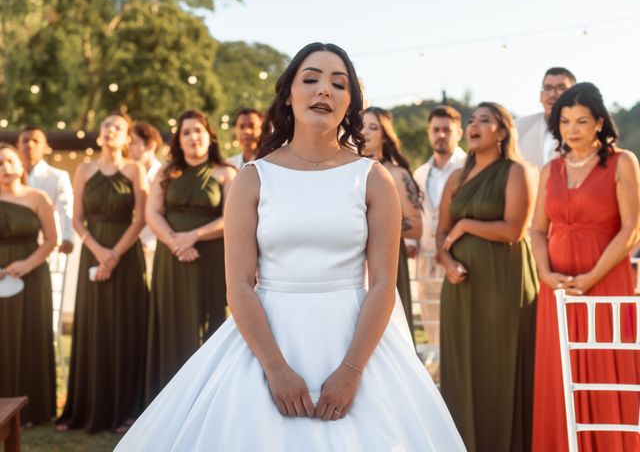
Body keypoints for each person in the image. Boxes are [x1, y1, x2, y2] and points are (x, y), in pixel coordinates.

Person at [115, 42, 465, 451]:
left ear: (350, 102)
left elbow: (384, 283)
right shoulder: (253, 177)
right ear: (288, 94)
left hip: (356, 337)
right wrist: (275, 369)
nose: (324, 90)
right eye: (311, 79)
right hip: (266, 336)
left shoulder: (373, 179)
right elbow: (240, 285)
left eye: (339, 83)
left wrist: (352, 371)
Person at [531, 83, 640, 452]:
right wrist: (545, 275)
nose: (571, 129)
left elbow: (632, 228)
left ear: (598, 123)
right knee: (560, 372)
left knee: (607, 365)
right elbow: (536, 230)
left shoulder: (623, 161)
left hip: (606, 281)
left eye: (581, 121)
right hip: (557, 290)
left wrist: (592, 277)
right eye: (564, 122)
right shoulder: (550, 169)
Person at [437, 102, 538, 452]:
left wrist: (466, 224)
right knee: (463, 369)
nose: (474, 126)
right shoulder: (455, 177)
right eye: (471, 121)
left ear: (502, 131)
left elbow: (514, 229)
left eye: (485, 120)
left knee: (501, 367)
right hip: (460, 288)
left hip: (504, 284)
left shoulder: (515, 172)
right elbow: (441, 233)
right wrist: (447, 261)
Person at [58, 112, 149, 433]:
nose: (110, 130)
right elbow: (77, 219)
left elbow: (141, 218)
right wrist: (99, 252)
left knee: (126, 326)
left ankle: (128, 410)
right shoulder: (84, 169)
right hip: (92, 252)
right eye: (106, 126)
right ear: (99, 135)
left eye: (117, 128)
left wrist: (114, 256)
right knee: (94, 325)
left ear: (126, 138)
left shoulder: (135, 169)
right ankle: (85, 408)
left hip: (126, 255)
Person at [144, 109, 236, 403]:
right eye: (186, 132)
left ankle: (208, 398)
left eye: (198, 130)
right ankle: (168, 398)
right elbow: (152, 213)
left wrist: (193, 236)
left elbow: (231, 218)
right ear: (178, 140)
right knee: (172, 321)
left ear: (210, 136)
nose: (193, 137)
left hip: (210, 257)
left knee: (210, 321)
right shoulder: (166, 172)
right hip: (171, 259)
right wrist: (175, 242)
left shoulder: (226, 173)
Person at [0, 143, 57, 425]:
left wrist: (26, 264)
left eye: (10, 161)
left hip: (32, 274)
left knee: (31, 335)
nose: (5, 167)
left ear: (21, 166)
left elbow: (50, 239)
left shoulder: (38, 198)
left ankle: (34, 409)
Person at [408, 105, 466, 374]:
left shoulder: (468, 168)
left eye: (447, 130)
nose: (441, 135)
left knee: (459, 325)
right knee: (431, 326)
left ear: (459, 133)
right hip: (425, 259)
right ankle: (439, 383)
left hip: (458, 257)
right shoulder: (420, 173)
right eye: (436, 130)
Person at [362, 106, 422, 342]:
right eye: (361, 126)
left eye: (373, 127)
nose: (364, 131)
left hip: (387, 259)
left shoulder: (396, 174)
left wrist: (376, 225)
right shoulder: (347, 171)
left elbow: (418, 227)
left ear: (385, 135)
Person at [17, 127, 74, 254]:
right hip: (15, 243)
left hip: (48, 245)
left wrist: (67, 237)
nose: (30, 145)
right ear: (18, 145)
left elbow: (65, 209)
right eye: (25, 141)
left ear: (45, 146)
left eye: (35, 141)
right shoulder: (8, 178)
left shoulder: (58, 177)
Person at [516, 67, 576, 171]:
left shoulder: (586, 130)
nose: (552, 94)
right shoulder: (518, 128)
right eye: (547, 88)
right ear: (540, 96)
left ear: (575, 94)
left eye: (561, 88)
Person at [128, 122, 164, 270]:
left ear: (150, 146)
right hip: (128, 247)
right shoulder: (128, 173)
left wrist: (149, 243)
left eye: (134, 143)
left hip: (153, 249)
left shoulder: (163, 177)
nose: (129, 148)